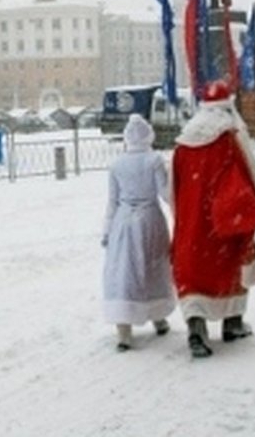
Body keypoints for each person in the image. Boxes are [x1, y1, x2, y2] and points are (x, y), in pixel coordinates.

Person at [170, 80, 255, 358]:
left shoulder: (184, 141)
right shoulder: (230, 135)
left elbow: (172, 186)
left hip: (191, 221)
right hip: (225, 218)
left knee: (192, 272)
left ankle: (196, 329)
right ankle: (232, 322)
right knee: (230, 265)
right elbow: (251, 170)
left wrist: (182, 217)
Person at [101, 113, 175, 351]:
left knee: (125, 271)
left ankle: (124, 329)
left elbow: (112, 202)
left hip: (123, 222)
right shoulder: (154, 160)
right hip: (150, 220)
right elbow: (165, 194)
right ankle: (158, 316)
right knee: (153, 267)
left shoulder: (116, 164)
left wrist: (107, 230)